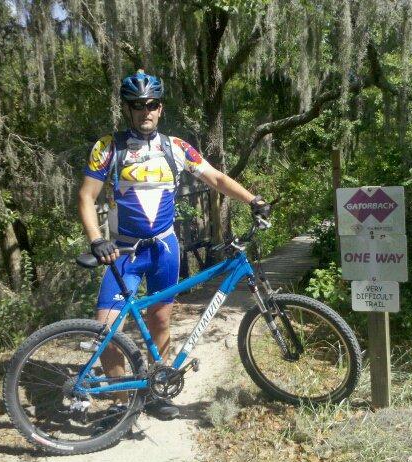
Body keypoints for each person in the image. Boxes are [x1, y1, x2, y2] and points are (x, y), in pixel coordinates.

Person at [78, 70, 270, 419]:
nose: (145, 111)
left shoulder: (176, 147)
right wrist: (96, 240)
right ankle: (123, 405)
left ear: (160, 108)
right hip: (124, 251)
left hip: (165, 249)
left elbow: (215, 178)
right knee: (107, 329)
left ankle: (157, 391)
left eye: (151, 105)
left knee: (161, 322)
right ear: (127, 109)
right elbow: (86, 196)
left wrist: (252, 199)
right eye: (137, 106)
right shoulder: (108, 148)